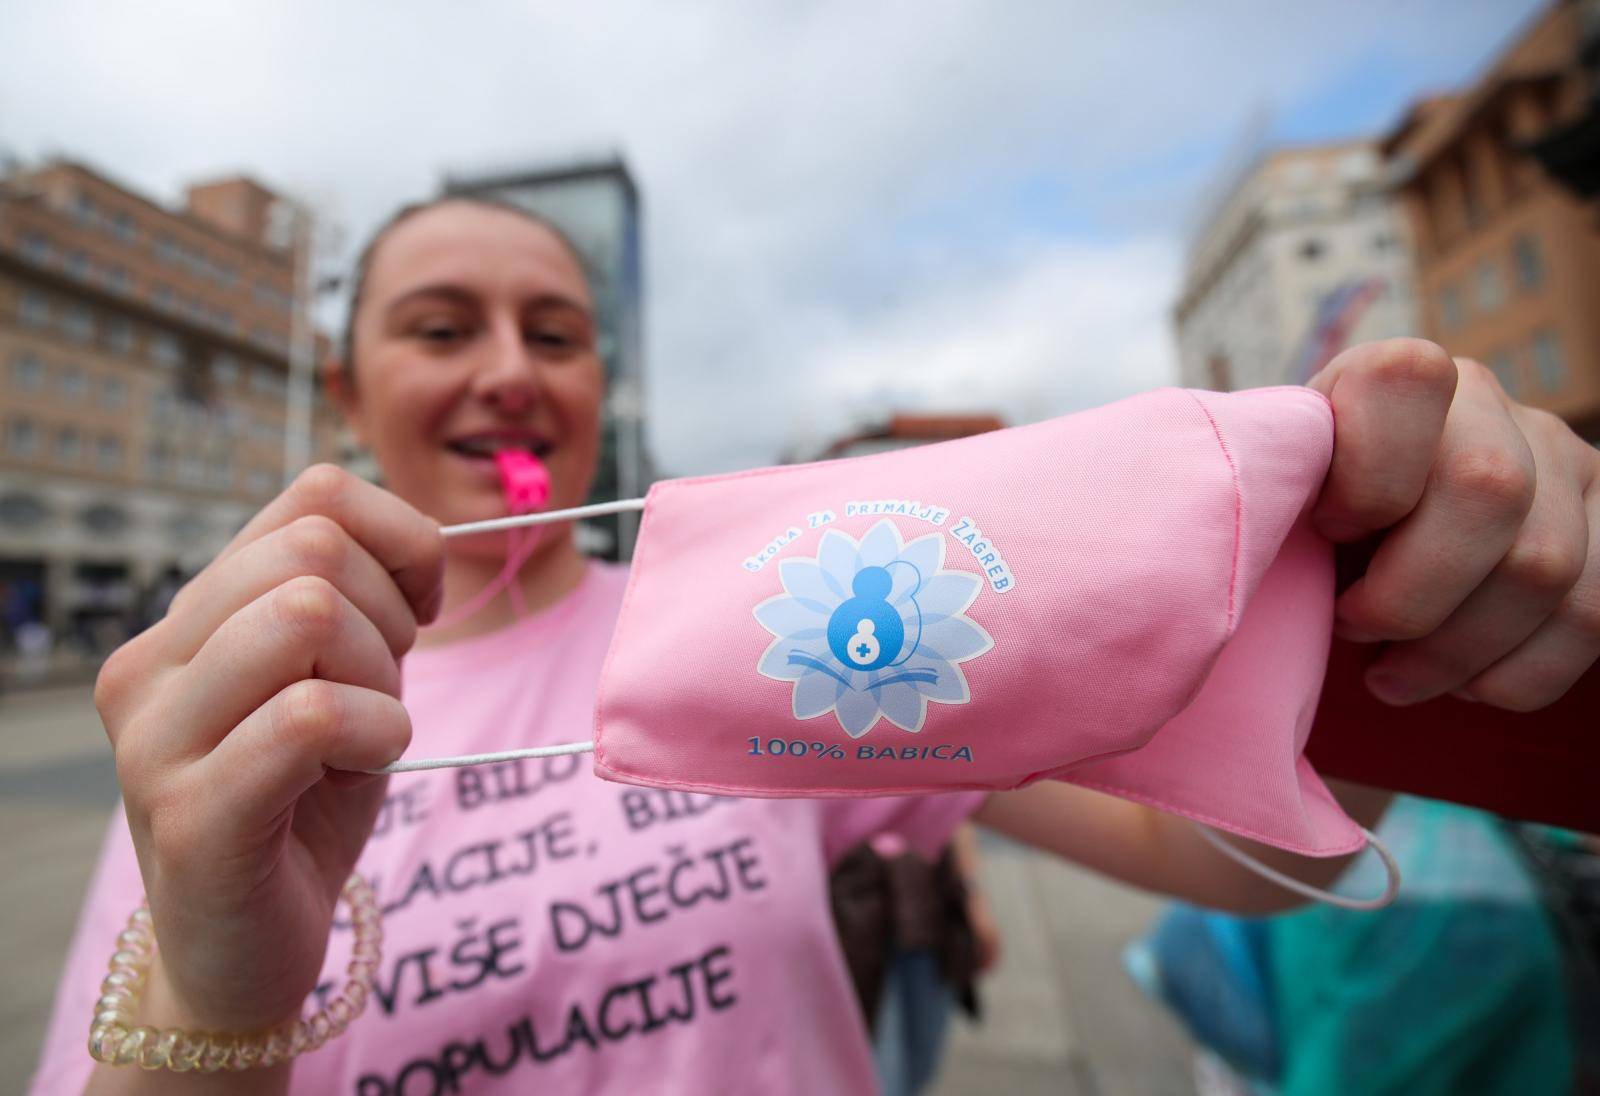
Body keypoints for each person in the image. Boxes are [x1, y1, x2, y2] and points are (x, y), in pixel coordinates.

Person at [32, 196, 1600, 1095]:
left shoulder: (758, 631)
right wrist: (218, 985)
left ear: (596, 393)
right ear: (349, 383)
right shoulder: (254, 713)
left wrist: (1381, 615)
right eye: (442, 329)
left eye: (556, 335)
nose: (509, 374)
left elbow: (1241, 856)